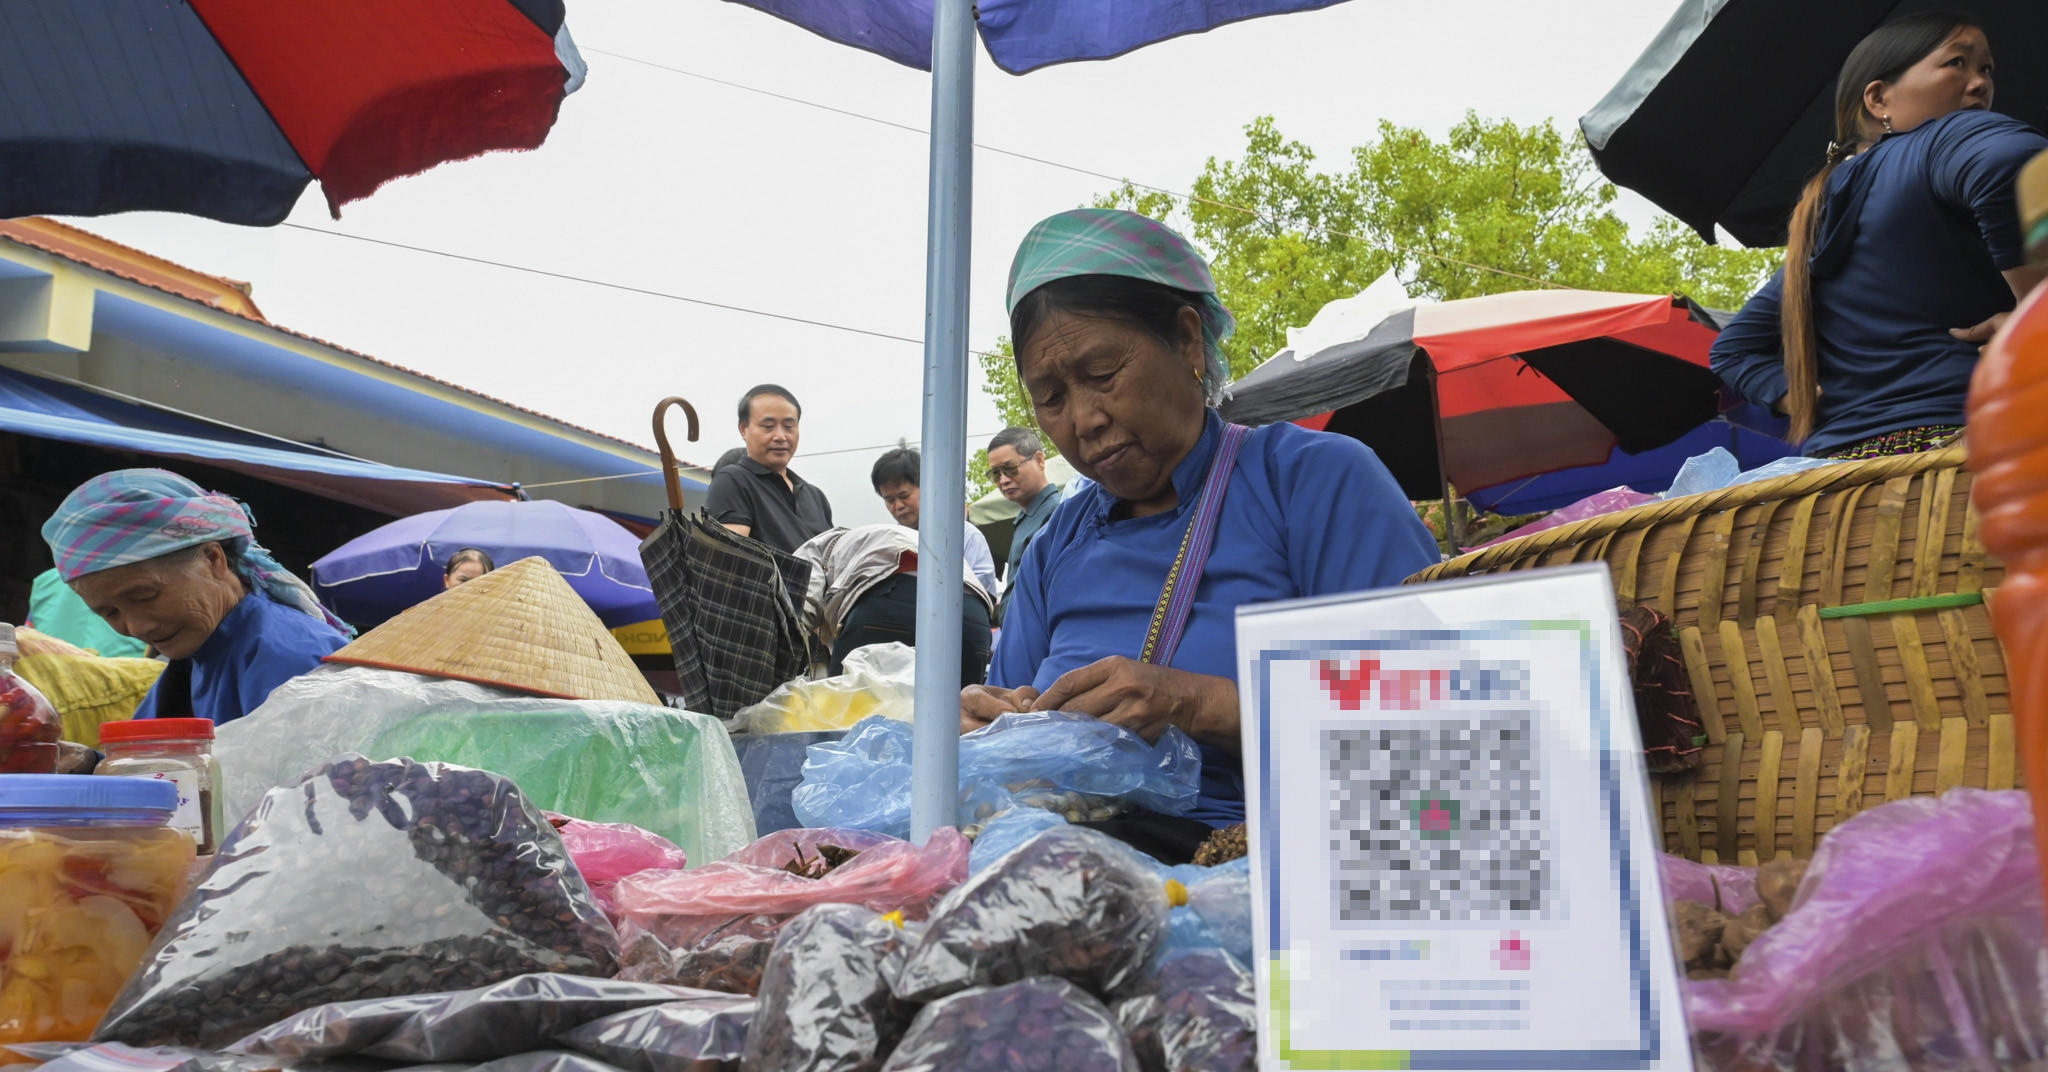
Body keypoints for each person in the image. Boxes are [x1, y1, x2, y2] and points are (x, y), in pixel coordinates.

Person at [960, 208, 1440, 863]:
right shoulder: (1056, 545)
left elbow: (1432, 718)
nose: (1084, 419)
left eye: (1102, 374)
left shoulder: (1312, 482)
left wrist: (1195, 703)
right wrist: (982, 726)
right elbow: (1008, 727)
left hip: (1283, 863)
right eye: (1050, 398)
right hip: (1065, 860)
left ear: (1187, 341)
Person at [1710, 13, 2047, 460]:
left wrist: (1801, 396)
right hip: (1972, 451)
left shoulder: (1816, 223)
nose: (1980, 83)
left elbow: (1733, 350)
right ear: (1878, 98)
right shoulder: (1949, 136)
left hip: (1843, 474)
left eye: (1986, 69)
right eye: (1957, 63)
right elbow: (2016, 165)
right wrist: (2034, 309)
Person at [40, 469, 354, 725]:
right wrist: (87, 762)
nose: (136, 627)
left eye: (145, 595)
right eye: (109, 613)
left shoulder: (291, 656)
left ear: (212, 559)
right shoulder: (197, 656)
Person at [793, 524, 995, 687]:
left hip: (894, 595)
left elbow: (799, 610)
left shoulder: (812, 549)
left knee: (845, 712)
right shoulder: (874, 537)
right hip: (973, 614)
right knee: (962, 718)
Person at [704, 384, 834, 553]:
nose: (780, 436)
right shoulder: (732, 481)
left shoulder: (815, 496)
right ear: (743, 429)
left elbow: (832, 558)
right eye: (768, 426)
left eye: (789, 426)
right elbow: (728, 557)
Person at [871, 446, 1000, 594]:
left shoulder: (965, 536)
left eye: (904, 496)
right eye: (889, 500)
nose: (898, 506)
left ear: (928, 487)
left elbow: (984, 591)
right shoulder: (890, 544)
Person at [986, 426, 1062, 617]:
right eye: (996, 473)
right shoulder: (1028, 517)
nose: (1003, 480)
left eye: (1010, 469)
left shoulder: (1056, 512)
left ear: (1039, 460)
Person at [26, 567, 148, 658]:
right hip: (126, 675)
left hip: (53, 675)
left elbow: (28, 639)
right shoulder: (136, 570)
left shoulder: (45, 582)